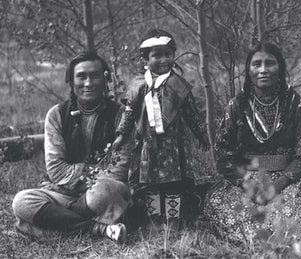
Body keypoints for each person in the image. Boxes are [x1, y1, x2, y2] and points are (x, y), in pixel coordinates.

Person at [203, 42, 301, 244]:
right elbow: (223, 155)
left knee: (295, 221)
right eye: (257, 64)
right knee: (227, 210)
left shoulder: (295, 104)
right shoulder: (237, 105)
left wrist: (275, 187)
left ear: (280, 68)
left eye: (270, 63)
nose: (263, 70)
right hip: (246, 183)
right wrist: (250, 186)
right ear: (248, 70)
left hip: (287, 181)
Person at [12, 51, 132, 242]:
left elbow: (118, 170)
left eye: (94, 75)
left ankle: (48, 224)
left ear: (105, 79)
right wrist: (91, 171)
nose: (88, 83)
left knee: (108, 190)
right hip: (62, 194)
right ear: (71, 80)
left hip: (99, 195)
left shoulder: (121, 116)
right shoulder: (56, 115)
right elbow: (56, 170)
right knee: (22, 201)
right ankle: (98, 229)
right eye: (81, 76)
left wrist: (85, 179)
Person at [113, 29, 210, 225]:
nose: (164, 59)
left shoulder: (178, 84)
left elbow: (191, 113)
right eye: (157, 55)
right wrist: (122, 135)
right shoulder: (138, 85)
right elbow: (129, 112)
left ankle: (173, 220)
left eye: (168, 54)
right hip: (148, 146)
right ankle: (155, 221)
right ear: (145, 60)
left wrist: (201, 134)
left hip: (173, 146)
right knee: (151, 184)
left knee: (174, 182)